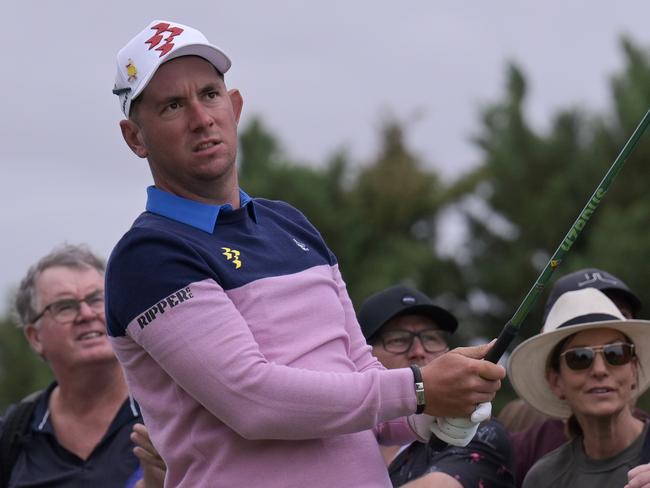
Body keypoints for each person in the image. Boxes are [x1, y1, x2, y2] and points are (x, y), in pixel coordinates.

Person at [106, 19, 505, 487]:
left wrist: (434, 409)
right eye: (173, 105)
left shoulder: (289, 223)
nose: (201, 118)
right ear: (135, 136)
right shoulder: (150, 254)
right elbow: (254, 402)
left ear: (234, 106)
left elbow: (360, 376)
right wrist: (420, 387)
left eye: (210, 95)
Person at [0, 244, 161, 488]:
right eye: (65, 306)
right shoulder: (12, 435)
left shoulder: (167, 412)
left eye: (97, 299)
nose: (86, 314)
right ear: (35, 337)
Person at [358, 285, 515, 488]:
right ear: (361, 356)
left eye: (431, 338)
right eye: (398, 339)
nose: (419, 351)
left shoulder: (476, 431)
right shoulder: (337, 438)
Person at [504, 267, 645, 486]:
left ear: (634, 369)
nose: (600, 369)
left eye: (615, 353)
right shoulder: (543, 478)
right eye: (579, 358)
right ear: (556, 381)